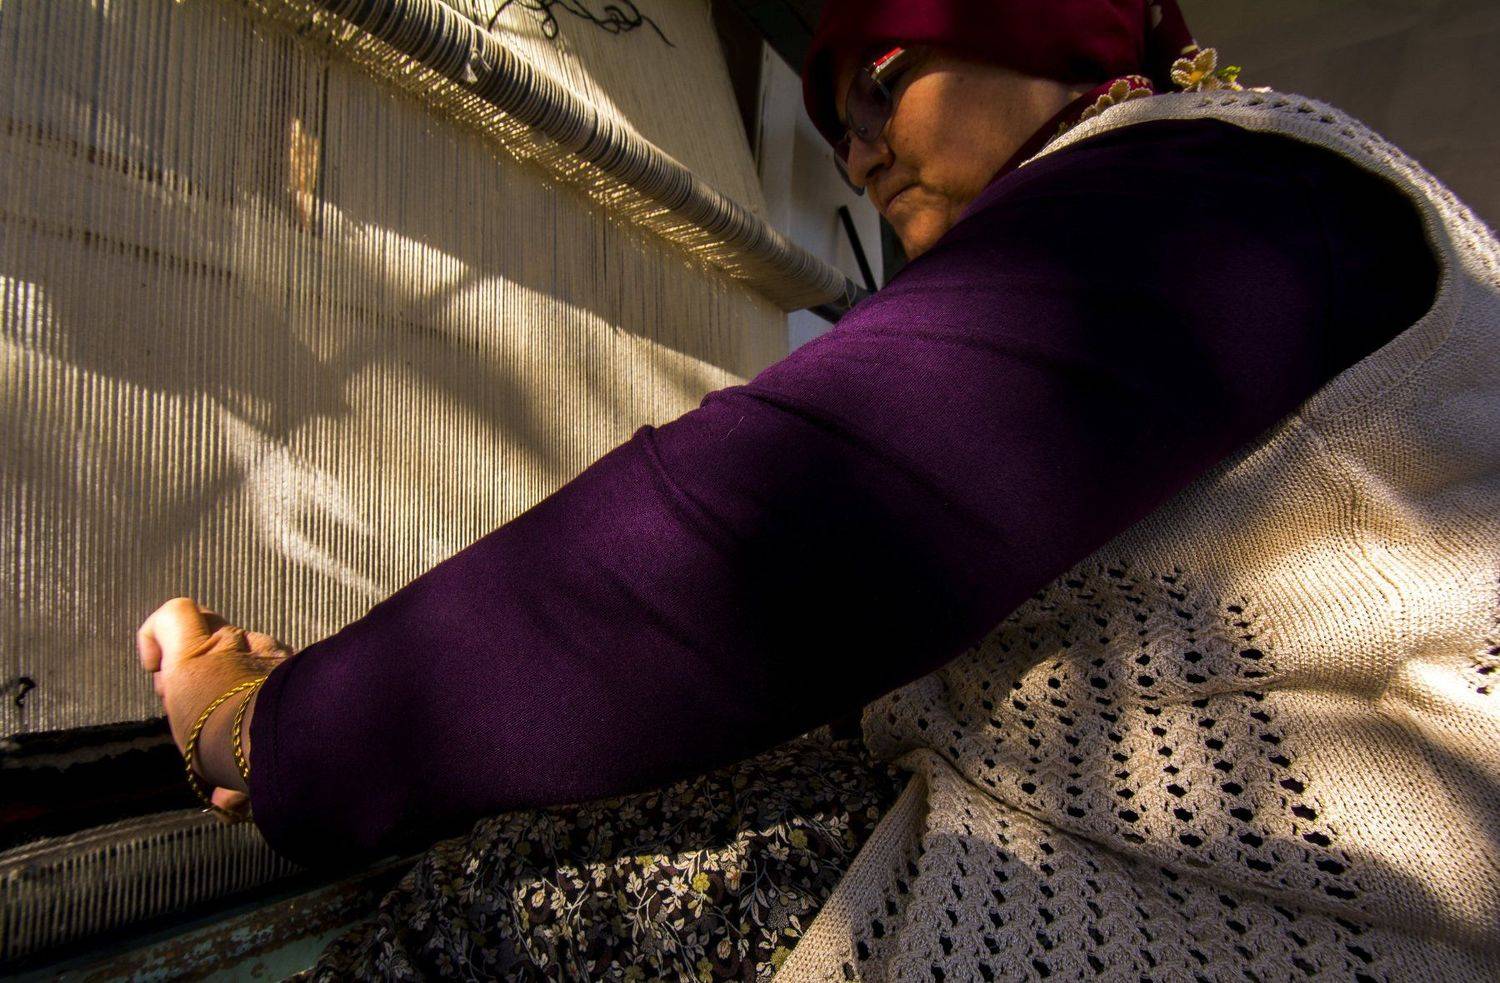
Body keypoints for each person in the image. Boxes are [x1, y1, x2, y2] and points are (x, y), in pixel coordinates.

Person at [137, 0, 1499, 978]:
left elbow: (757, 543)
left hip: (1320, 922)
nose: (856, 154)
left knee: (486, 908)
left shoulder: (1203, 193)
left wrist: (280, 731)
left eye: (879, 85)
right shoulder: (1259, 189)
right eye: (835, 120)